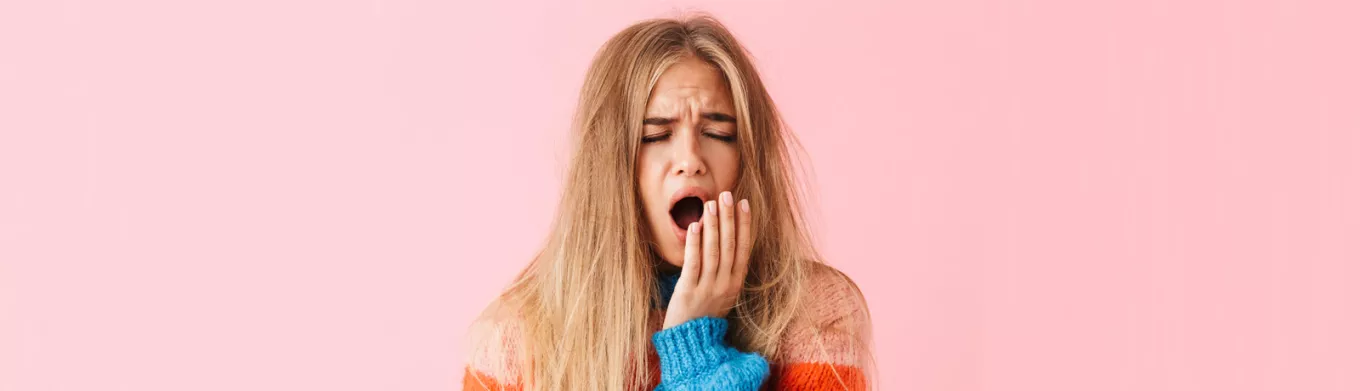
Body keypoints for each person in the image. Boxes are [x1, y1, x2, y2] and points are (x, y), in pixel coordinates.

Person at [461, 13, 874, 391]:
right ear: (609, 167)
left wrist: (693, 351)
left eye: (718, 134)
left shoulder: (817, 314)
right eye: (656, 136)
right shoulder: (514, 339)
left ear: (748, 159)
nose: (691, 161)